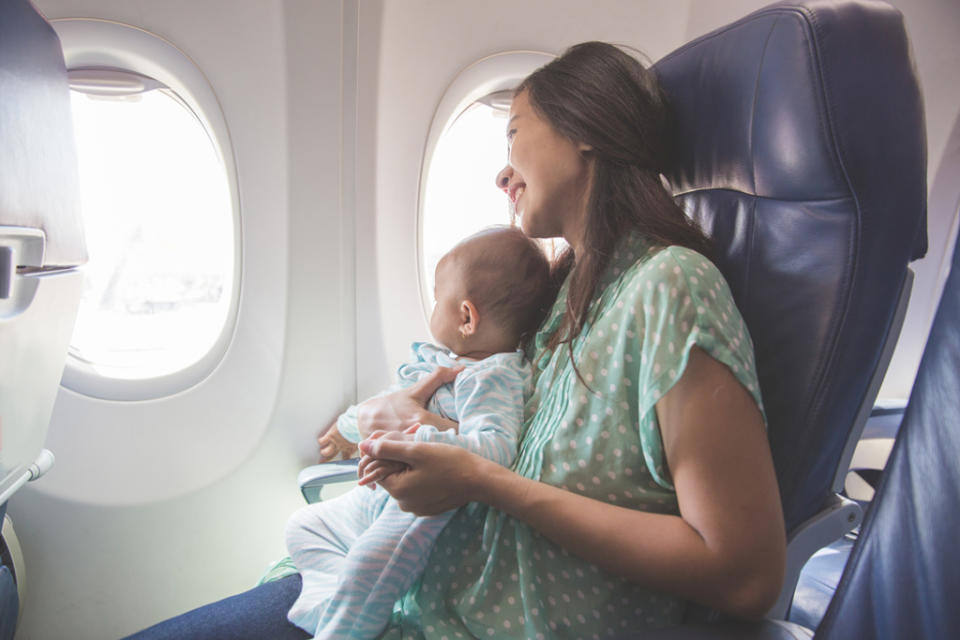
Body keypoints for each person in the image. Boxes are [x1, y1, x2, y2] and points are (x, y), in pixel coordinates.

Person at [123, 41, 785, 640]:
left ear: (584, 133)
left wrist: (480, 481)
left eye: (516, 135)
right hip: (415, 600)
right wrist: (415, 424)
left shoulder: (671, 288)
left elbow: (744, 574)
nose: (503, 175)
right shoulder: (559, 296)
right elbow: (488, 417)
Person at [283, 226, 552, 639]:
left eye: (436, 297)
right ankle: (333, 605)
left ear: (465, 316)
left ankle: (344, 627)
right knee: (303, 525)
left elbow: (496, 448)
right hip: (376, 496)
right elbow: (394, 400)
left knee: (366, 568)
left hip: (421, 508)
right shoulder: (443, 360)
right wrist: (347, 428)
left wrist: (425, 434)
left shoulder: (494, 376)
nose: (432, 307)